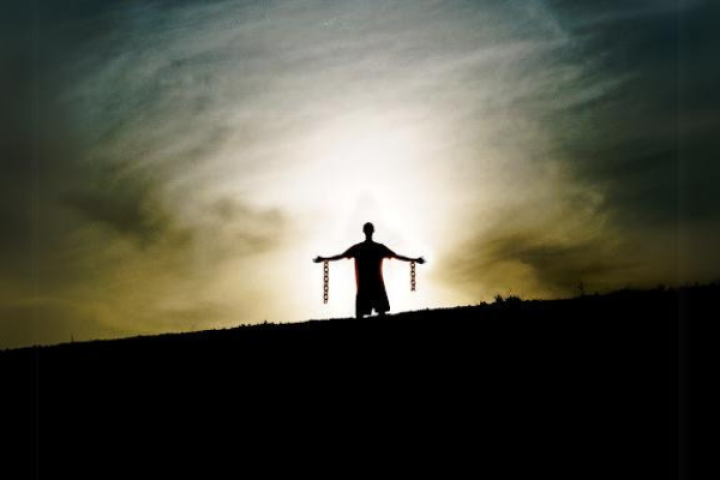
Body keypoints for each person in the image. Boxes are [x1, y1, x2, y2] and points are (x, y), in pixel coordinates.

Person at [314, 222, 425, 318]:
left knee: (366, 315)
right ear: (373, 231)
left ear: (364, 231)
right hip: (373, 285)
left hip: (367, 286)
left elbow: (340, 256)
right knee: (378, 314)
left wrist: (324, 258)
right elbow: (397, 256)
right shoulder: (376, 248)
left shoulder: (359, 248)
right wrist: (414, 260)